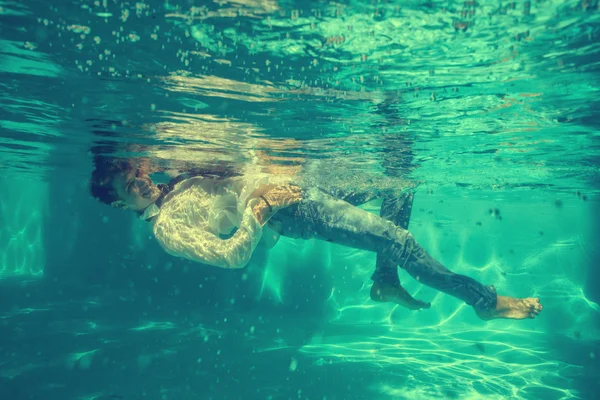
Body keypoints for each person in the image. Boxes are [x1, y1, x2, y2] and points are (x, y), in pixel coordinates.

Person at [89, 157, 543, 320]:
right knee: (397, 238)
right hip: (295, 209)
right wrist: (260, 209)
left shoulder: (174, 186)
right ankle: (484, 302)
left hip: (298, 185)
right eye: (129, 186)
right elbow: (231, 257)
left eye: (137, 173)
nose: (141, 182)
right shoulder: (166, 229)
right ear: (117, 205)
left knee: (398, 182)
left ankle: (385, 280)